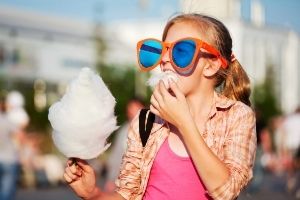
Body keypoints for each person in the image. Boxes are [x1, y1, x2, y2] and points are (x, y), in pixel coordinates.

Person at [63, 13, 257, 200]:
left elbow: (227, 192)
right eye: (162, 50)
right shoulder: (145, 121)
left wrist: (184, 123)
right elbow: (127, 194)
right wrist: (93, 194)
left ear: (211, 65)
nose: (164, 60)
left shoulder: (237, 116)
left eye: (181, 51)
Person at [104, 98, 144, 192]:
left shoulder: (153, 129)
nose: (132, 113)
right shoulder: (123, 131)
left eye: (135, 109)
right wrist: (111, 179)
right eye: (130, 110)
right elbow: (116, 157)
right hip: (124, 184)